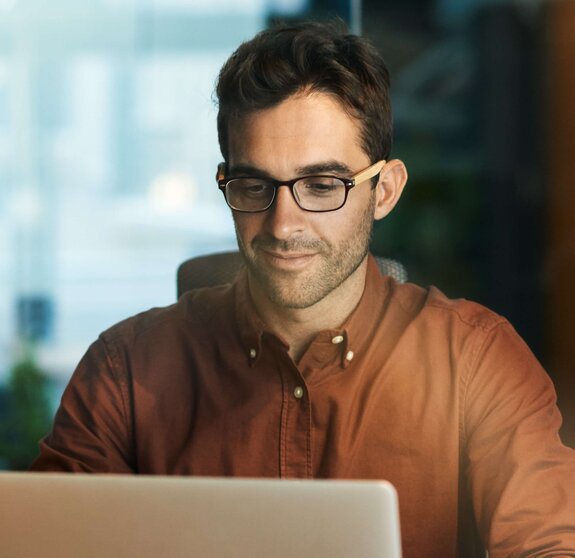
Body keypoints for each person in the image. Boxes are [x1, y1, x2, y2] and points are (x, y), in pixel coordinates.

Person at [30, 20, 575, 558]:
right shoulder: (126, 370)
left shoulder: (475, 361)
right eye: (255, 185)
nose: (283, 223)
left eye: (322, 186)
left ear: (383, 191)